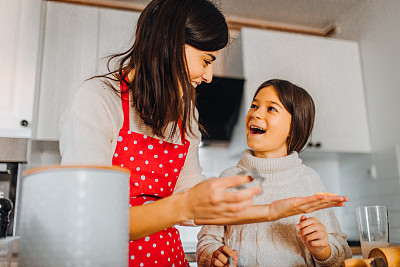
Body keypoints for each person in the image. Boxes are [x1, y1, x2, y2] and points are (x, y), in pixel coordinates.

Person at [60, 0, 347, 266]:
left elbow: (198, 205)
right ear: (170, 45)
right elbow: (94, 218)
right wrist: (185, 205)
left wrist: (273, 211)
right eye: (207, 60)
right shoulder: (98, 99)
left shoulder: (185, 115)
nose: (208, 76)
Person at [196, 79, 352, 267]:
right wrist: (214, 254)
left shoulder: (309, 181)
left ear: (293, 127)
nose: (255, 113)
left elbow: (341, 250)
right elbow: (207, 240)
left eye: (271, 109)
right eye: (254, 105)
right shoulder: (230, 179)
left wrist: (323, 249)